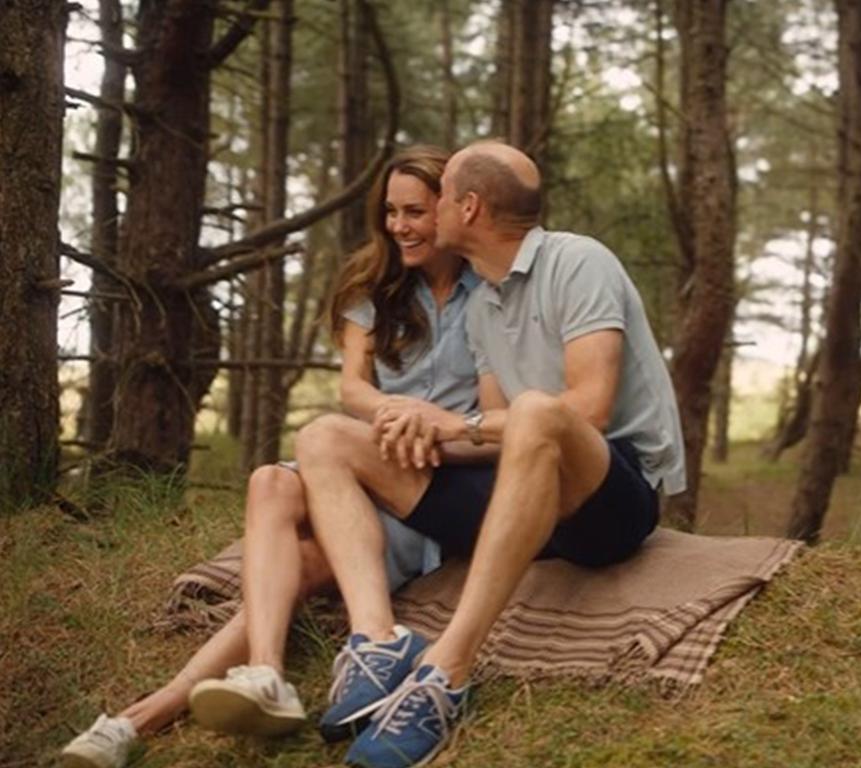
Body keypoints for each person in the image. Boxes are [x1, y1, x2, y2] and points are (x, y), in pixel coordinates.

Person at [60, 144, 486, 768]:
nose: (399, 226)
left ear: (450, 211)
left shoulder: (491, 292)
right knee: (268, 482)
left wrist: (433, 425)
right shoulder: (375, 287)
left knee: (304, 569)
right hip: (360, 456)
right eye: (390, 212)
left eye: (415, 212)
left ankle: (143, 716)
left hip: (419, 485)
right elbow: (352, 389)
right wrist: (395, 415)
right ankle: (265, 673)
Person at [293, 139, 686, 768]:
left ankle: (446, 673)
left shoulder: (579, 262)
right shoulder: (486, 303)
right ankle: (377, 640)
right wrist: (425, 430)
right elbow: (489, 431)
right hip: (520, 492)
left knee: (538, 410)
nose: (429, 210)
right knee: (326, 436)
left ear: (468, 208)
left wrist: (458, 423)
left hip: (609, 495)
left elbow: (588, 408)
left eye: (440, 197)